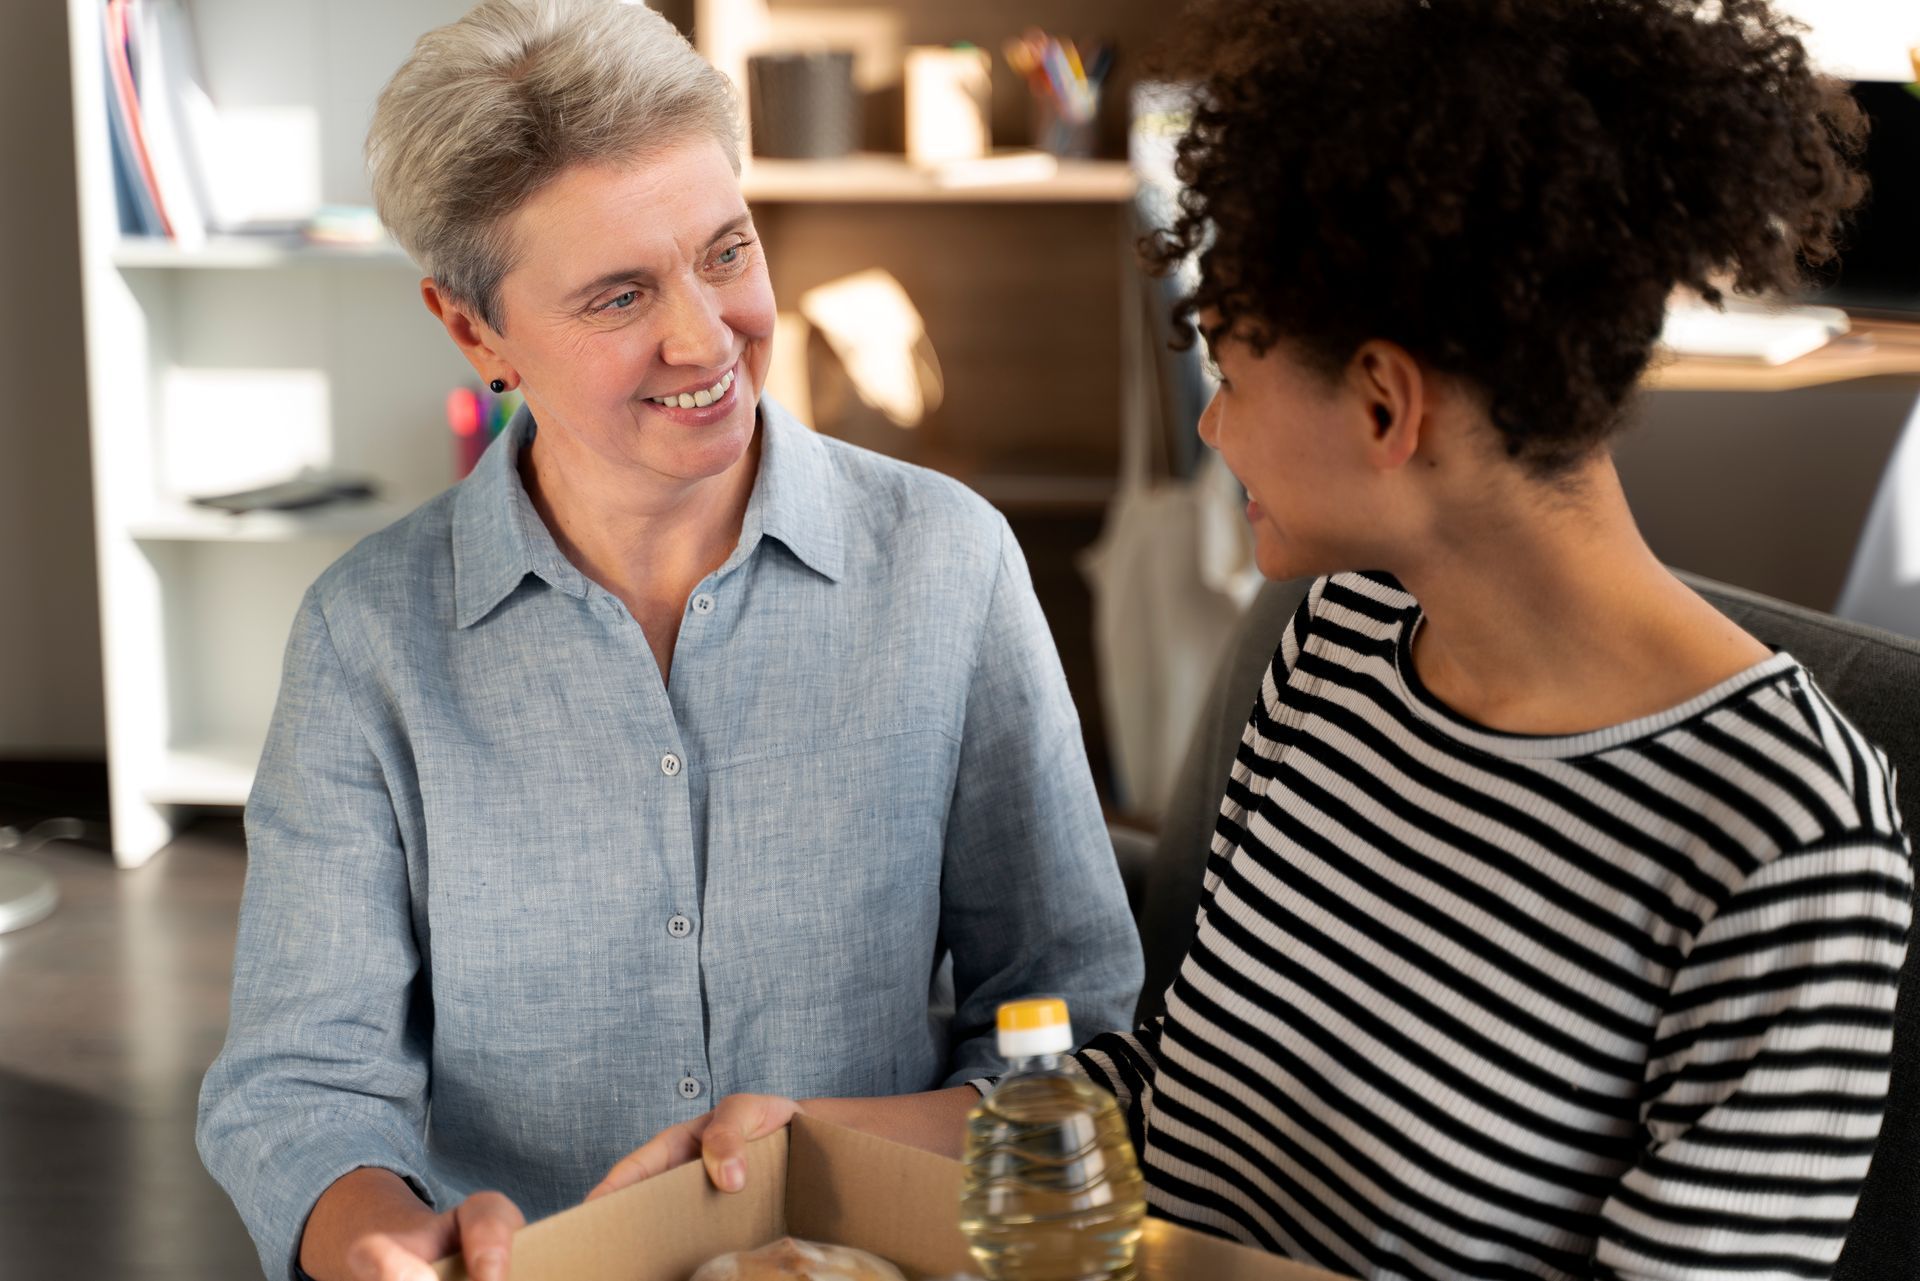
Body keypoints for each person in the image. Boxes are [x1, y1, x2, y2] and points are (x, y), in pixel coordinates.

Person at [596, 2, 1914, 1278]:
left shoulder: (1787, 839)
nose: (1212, 429)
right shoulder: (1339, 642)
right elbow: (1182, 1097)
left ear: (1388, 404)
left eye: (1229, 367)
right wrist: (804, 1130)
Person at [193, 3, 1143, 1279]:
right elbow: (302, 1084)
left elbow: (1072, 1029)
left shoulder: (947, 564)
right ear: (474, 330)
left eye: (727, 251)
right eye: (620, 294)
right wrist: (380, 1242)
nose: (705, 339)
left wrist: (832, 1152)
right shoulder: (368, 637)